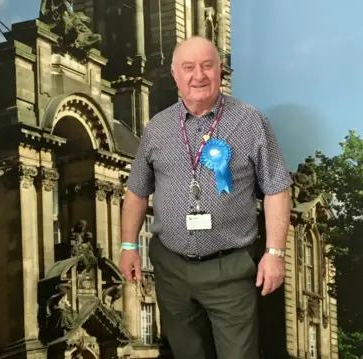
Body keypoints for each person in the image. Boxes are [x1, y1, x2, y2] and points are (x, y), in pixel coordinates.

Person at [119, 36, 293, 359]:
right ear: (175, 75)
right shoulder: (157, 129)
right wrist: (129, 246)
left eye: (206, 66)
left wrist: (275, 253)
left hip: (230, 271)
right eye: (188, 68)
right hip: (172, 272)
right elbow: (136, 192)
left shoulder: (251, 122)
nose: (198, 75)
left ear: (220, 70)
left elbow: (277, 190)